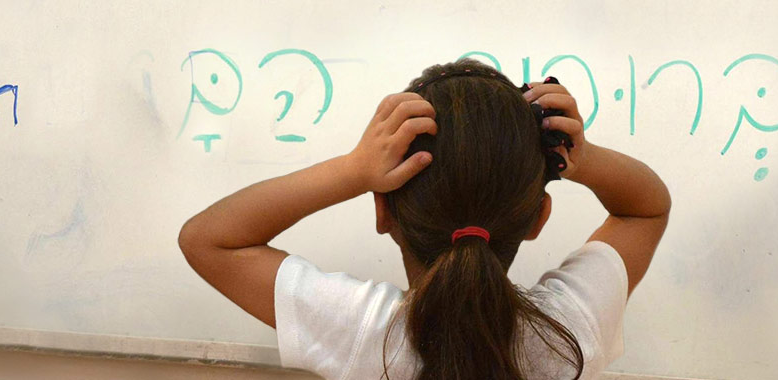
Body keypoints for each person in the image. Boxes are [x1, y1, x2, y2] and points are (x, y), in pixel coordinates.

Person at [177, 59, 671, 379]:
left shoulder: (365, 333)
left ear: (382, 210)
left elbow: (208, 239)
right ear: (539, 217)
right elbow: (645, 208)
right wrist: (579, 157)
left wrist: (352, 170)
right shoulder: (567, 333)